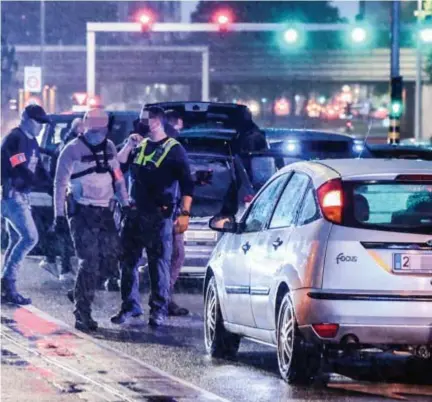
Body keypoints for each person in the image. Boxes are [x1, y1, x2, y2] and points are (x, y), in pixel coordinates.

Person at [111, 106, 194, 327]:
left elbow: (187, 184)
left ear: (156, 122)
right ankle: (129, 306)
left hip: (160, 216)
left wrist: (184, 214)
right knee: (127, 263)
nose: (141, 124)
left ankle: (158, 310)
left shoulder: (174, 149)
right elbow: (118, 166)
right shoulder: (140, 146)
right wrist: (129, 144)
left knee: (159, 265)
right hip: (134, 214)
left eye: (144, 120)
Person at [53, 109, 129, 331]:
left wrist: (125, 203)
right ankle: (82, 313)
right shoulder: (71, 150)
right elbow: (59, 184)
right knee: (89, 261)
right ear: (86, 127)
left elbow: (118, 178)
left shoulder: (109, 147)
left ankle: (80, 292)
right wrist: (58, 215)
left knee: (112, 258)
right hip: (81, 212)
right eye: (95, 130)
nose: (99, 134)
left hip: (104, 210)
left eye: (102, 130)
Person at [1, 104, 52, 304]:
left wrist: (51, 185)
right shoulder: (15, 139)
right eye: (38, 122)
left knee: (16, 239)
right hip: (10, 196)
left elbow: (37, 166)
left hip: (20, 195)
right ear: (27, 120)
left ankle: (7, 286)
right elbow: (20, 168)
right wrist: (38, 183)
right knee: (30, 237)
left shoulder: (31, 142)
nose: (41, 127)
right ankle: (8, 281)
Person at [40, 118, 84, 281]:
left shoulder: (64, 143)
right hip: (67, 192)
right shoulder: (72, 145)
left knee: (61, 228)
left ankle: (51, 259)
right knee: (66, 229)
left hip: (61, 191)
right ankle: (64, 268)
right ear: (78, 129)